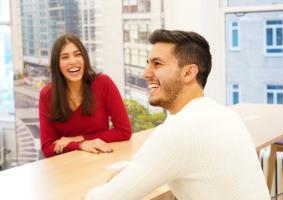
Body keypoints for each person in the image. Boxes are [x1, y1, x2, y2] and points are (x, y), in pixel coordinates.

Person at [85, 29, 271, 200]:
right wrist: (132, 173)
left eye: (157, 64)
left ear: (189, 73)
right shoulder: (224, 115)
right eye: (148, 64)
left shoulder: (178, 130)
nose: (145, 73)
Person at [39, 34, 132, 158]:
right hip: (66, 167)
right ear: (57, 64)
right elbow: (48, 148)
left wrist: (80, 139)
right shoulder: (47, 95)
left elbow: (124, 131)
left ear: (84, 58)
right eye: (65, 57)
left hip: (101, 158)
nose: (73, 61)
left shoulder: (103, 83)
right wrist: (80, 145)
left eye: (77, 54)